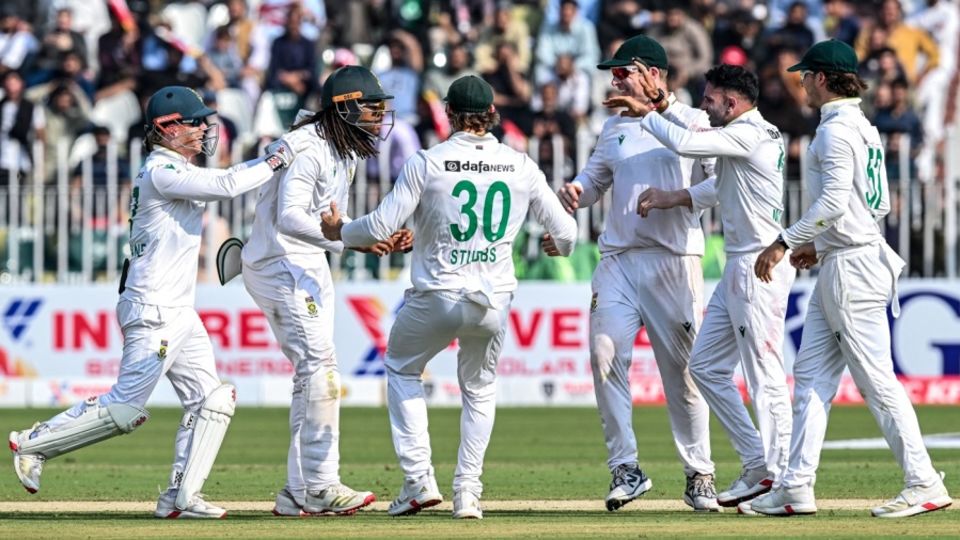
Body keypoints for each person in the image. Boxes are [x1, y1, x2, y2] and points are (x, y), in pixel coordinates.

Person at [8, 85, 304, 519]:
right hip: (154, 309)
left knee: (212, 399)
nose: (205, 129)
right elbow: (226, 184)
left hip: (177, 309)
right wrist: (275, 159)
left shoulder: (177, 170)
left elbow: (225, 186)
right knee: (126, 408)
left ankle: (180, 499)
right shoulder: (162, 171)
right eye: (195, 122)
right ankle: (32, 443)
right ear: (167, 129)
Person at [319, 75, 578, 520]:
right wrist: (560, 246)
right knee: (479, 388)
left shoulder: (429, 162)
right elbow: (568, 236)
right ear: (493, 116)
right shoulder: (520, 165)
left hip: (438, 293)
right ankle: (468, 494)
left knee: (402, 367)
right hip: (492, 301)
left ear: (450, 115)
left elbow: (380, 227)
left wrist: (339, 231)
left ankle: (419, 479)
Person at [751, 39, 952, 518]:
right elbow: (875, 205)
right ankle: (797, 485)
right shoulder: (862, 127)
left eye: (805, 76)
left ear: (821, 78)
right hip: (845, 259)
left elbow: (835, 203)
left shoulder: (834, 133)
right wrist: (819, 246)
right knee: (812, 377)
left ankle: (923, 481)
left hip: (852, 269)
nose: (800, 83)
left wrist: (784, 241)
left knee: (877, 381)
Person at [609, 63, 794, 509]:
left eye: (710, 99)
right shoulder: (745, 136)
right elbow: (720, 187)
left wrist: (650, 108)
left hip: (759, 266)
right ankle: (757, 463)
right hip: (738, 265)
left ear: (732, 102)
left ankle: (784, 478)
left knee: (764, 374)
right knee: (706, 367)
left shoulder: (748, 134)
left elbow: (689, 143)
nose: (705, 105)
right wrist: (677, 196)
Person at [558, 35, 719, 512]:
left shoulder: (693, 121)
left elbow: (721, 181)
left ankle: (700, 474)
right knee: (604, 354)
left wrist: (676, 198)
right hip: (619, 261)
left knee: (683, 375)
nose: (614, 81)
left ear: (651, 74)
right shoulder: (613, 128)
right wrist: (575, 192)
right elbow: (594, 181)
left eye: (622, 72)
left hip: (674, 260)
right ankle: (625, 468)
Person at [241, 65, 408, 517]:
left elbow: (336, 219)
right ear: (346, 106)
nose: (378, 119)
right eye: (372, 109)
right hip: (278, 262)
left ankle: (298, 490)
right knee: (320, 369)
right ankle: (319, 485)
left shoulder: (346, 149)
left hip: (308, 263)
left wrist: (371, 237)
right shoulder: (306, 147)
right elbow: (291, 216)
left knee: (315, 372)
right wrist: (346, 236)